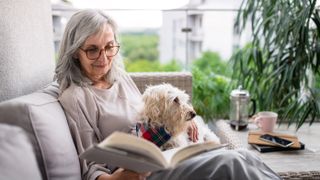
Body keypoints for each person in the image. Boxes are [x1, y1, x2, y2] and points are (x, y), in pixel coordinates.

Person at [55, 9, 281, 180]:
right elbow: (91, 167)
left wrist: (181, 122)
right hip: (143, 174)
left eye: (110, 47)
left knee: (246, 156)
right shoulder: (76, 97)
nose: (103, 58)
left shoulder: (120, 78)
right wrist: (119, 177)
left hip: (167, 155)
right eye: (92, 50)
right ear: (75, 53)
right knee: (232, 162)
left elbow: (151, 117)